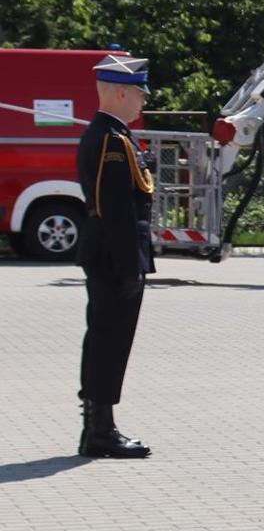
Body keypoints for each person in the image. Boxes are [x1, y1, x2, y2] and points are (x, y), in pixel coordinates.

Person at [74, 54, 158, 458]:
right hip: (114, 254)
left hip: (110, 252)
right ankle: (100, 432)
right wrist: (129, 267)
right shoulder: (111, 138)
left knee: (107, 339)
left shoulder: (112, 135)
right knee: (109, 339)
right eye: (139, 93)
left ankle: (98, 427)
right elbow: (116, 210)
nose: (142, 101)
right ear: (121, 92)